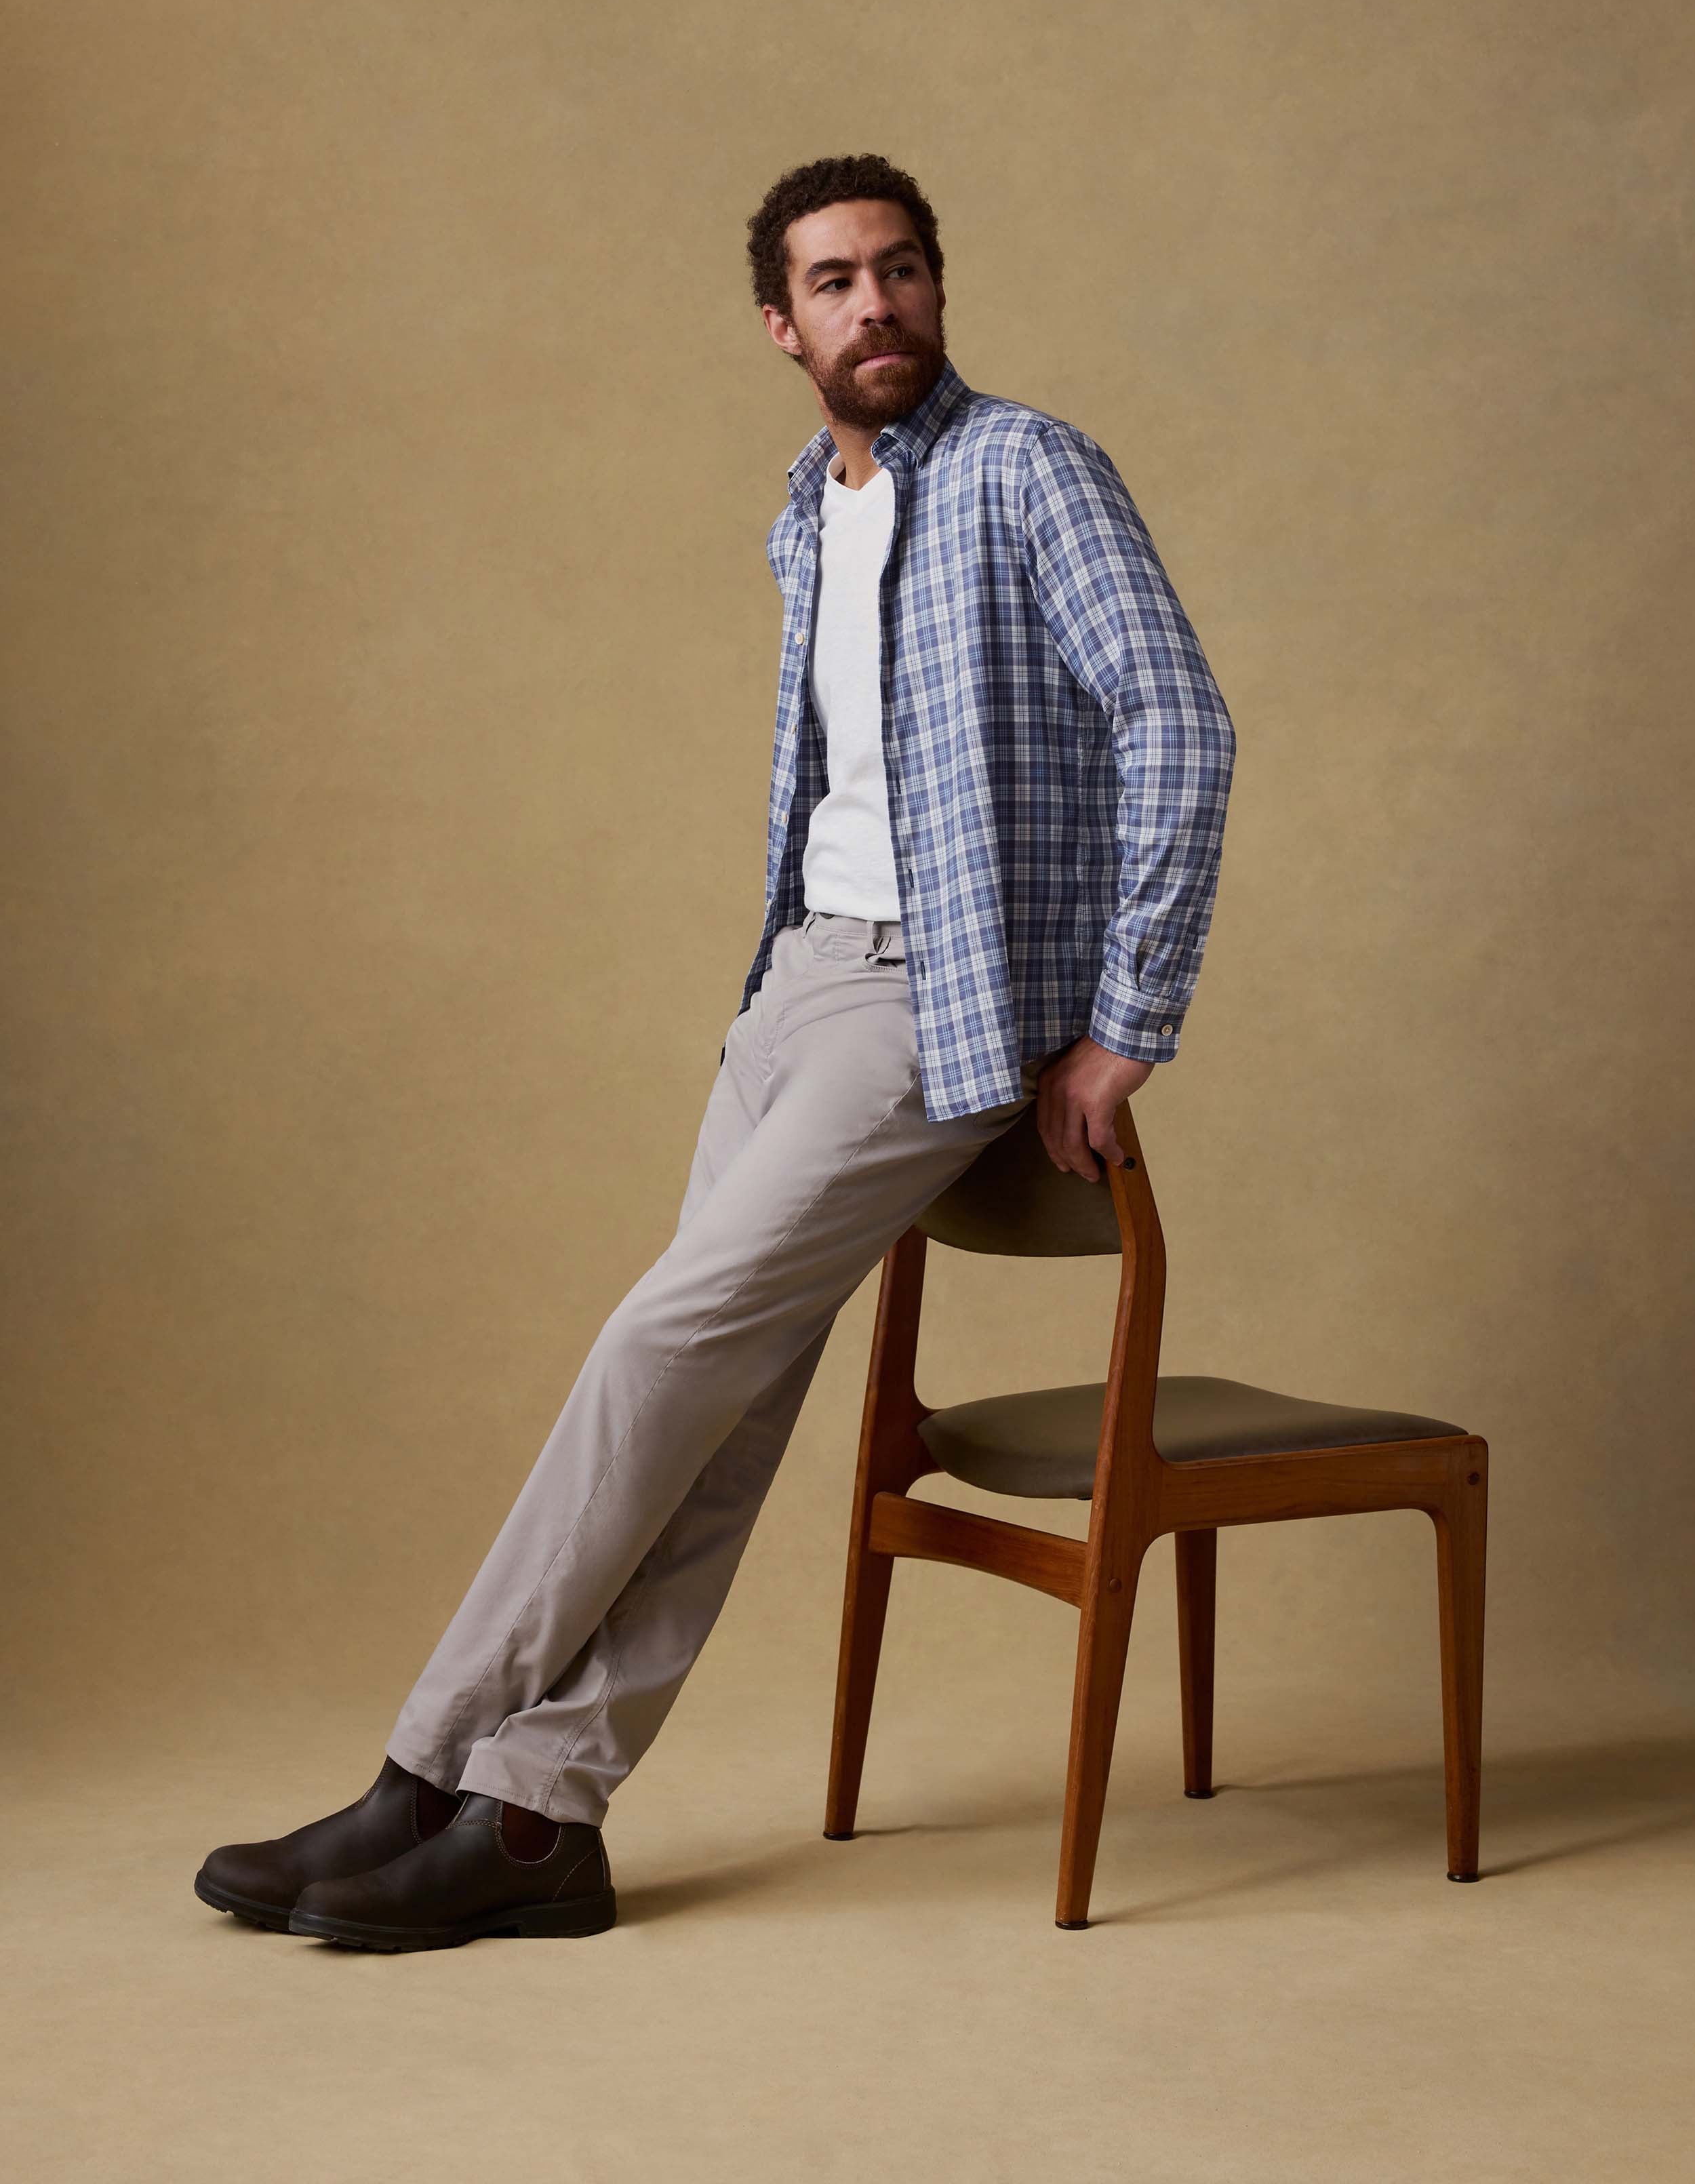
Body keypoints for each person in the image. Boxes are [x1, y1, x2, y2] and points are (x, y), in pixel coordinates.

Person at [193, 152, 1237, 1951]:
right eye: (834, 282)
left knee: (657, 1346)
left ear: (934, 288)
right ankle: (539, 1826)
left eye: (901, 272)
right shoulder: (795, 513)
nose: (876, 306)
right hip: (793, 987)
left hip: (938, 994)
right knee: (721, 1401)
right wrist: (771, 987)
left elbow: (1181, 724)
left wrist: (1126, 1021)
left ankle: (427, 1768)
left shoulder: (1027, 469)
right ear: (781, 325)